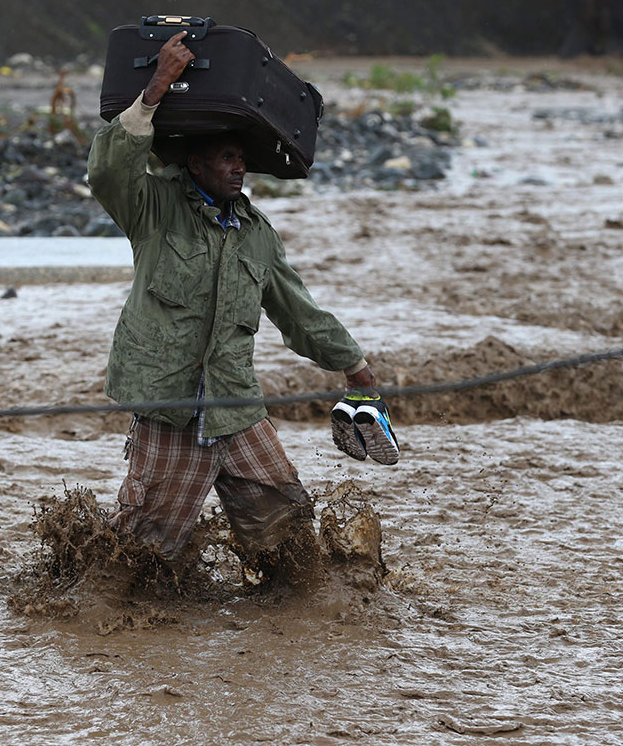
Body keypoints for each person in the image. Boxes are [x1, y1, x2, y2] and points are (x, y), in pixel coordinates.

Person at [86, 31, 395, 575]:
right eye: (226, 158)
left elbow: (298, 312)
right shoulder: (153, 209)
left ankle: (296, 617)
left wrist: (356, 367)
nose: (239, 167)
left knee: (288, 534)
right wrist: (157, 86)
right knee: (140, 555)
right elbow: (107, 171)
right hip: (170, 408)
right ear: (194, 166)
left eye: (242, 159)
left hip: (235, 406)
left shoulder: (257, 234)